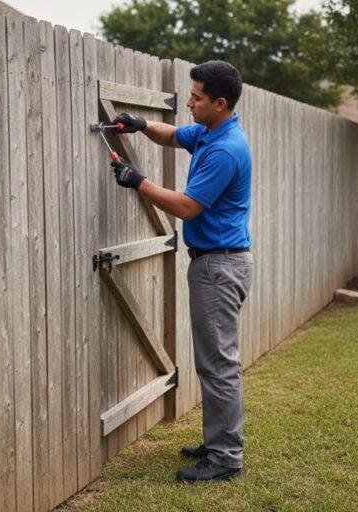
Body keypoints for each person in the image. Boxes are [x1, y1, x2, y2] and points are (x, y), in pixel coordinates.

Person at [110, 60, 253, 483]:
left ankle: (226, 459)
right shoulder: (212, 132)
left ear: (220, 103)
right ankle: (218, 442)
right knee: (213, 363)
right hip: (216, 262)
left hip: (219, 266)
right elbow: (172, 135)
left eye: (196, 97)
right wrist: (137, 124)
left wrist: (136, 180)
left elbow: (186, 207)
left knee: (219, 365)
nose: (188, 102)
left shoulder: (226, 150)